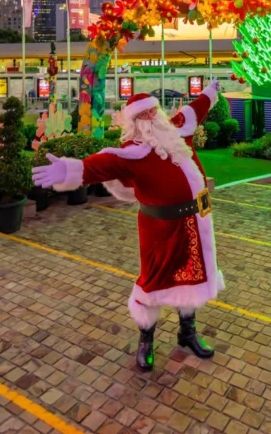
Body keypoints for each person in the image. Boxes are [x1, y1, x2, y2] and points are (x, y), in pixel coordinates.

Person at [32, 80, 224, 372]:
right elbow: (100, 164)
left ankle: (187, 332)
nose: (150, 119)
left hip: (193, 224)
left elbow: (196, 109)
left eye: (152, 113)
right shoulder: (131, 153)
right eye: (143, 116)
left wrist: (211, 91)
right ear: (134, 122)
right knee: (154, 280)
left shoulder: (177, 131)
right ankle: (146, 338)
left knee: (193, 276)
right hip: (158, 229)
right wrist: (71, 169)